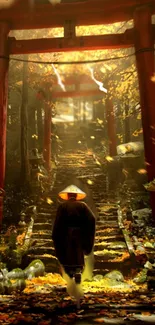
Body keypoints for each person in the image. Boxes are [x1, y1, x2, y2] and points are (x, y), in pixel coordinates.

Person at [52, 185, 96, 302]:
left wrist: (56, 234)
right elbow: (92, 219)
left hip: (66, 234)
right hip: (78, 233)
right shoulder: (83, 206)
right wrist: (86, 229)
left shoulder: (62, 206)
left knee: (67, 253)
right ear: (76, 196)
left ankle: (70, 273)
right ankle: (77, 271)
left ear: (67, 196)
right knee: (78, 252)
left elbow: (58, 222)